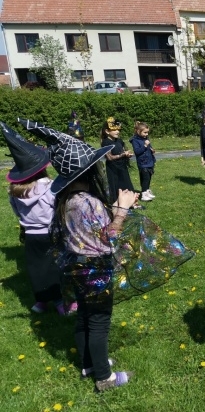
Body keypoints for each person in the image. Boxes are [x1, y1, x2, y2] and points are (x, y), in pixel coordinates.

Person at [19, 118, 137, 392]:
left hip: (76, 270)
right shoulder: (89, 202)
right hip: (95, 270)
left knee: (84, 315)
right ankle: (104, 377)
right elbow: (109, 237)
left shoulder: (66, 201)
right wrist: (123, 209)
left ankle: (88, 364)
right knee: (98, 322)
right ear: (86, 172)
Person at [2, 122, 74, 315]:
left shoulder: (15, 192)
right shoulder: (50, 186)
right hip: (51, 232)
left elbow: (17, 212)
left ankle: (40, 302)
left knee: (37, 268)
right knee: (57, 265)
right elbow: (58, 207)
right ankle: (61, 302)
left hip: (31, 235)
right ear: (42, 168)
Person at [101, 117, 140, 206]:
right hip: (113, 169)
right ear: (107, 131)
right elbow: (109, 157)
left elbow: (123, 150)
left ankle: (132, 202)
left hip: (122, 166)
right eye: (114, 130)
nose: (117, 132)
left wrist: (128, 154)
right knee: (116, 186)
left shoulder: (119, 140)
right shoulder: (106, 142)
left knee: (127, 184)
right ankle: (118, 203)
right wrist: (122, 155)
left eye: (118, 129)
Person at [129, 121, 156, 201]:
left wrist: (151, 150)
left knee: (149, 178)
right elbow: (137, 152)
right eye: (145, 132)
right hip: (143, 163)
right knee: (145, 178)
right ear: (138, 131)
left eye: (147, 132)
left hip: (149, 161)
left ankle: (147, 191)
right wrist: (145, 146)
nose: (147, 134)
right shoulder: (135, 140)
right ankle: (144, 194)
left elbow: (148, 147)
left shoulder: (145, 138)